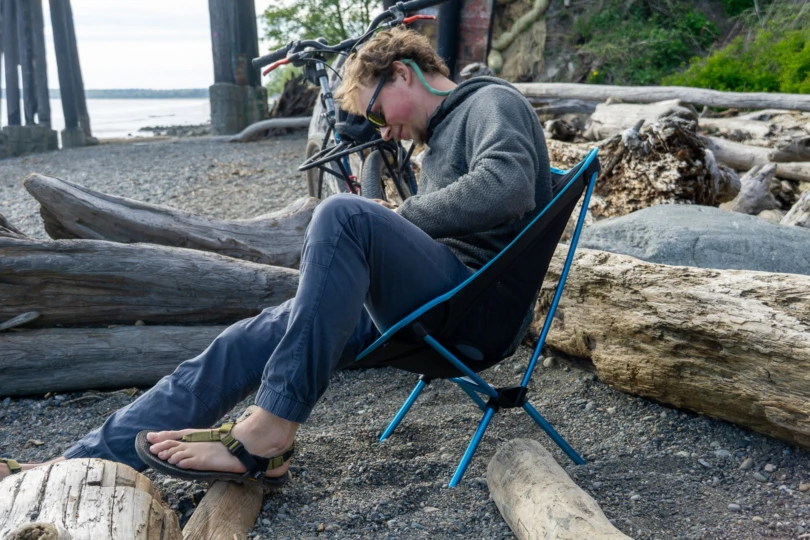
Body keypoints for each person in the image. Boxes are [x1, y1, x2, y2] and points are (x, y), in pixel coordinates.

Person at [0, 27, 552, 485]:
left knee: (336, 214)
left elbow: (507, 187)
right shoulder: (434, 137)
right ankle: (77, 465)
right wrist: (378, 156)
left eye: (379, 113)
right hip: (432, 305)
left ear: (403, 72)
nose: (385, 127)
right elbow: (392, 218)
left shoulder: (490, 101)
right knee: (245, 338)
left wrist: (392, 216)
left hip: (475, 309)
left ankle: (269, 432)